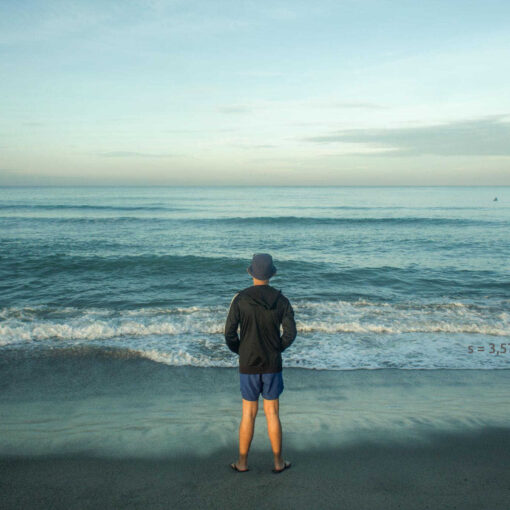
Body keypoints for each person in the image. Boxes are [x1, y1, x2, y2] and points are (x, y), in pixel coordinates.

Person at [225, 253, 297, 474]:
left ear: (251, 273)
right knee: (272, 413)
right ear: (272, 274)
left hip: (248, 363)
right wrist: (276, 348)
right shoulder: (281, 300)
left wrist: (241, 350)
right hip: (272, 363)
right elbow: (290, 334)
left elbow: (229, 334)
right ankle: (278, 462)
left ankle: (242, 462)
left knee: (248, 413)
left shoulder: (240, 299)